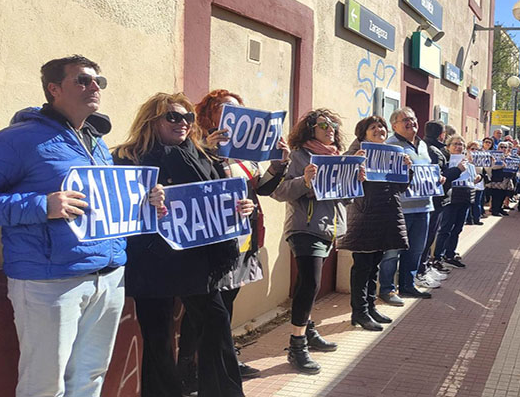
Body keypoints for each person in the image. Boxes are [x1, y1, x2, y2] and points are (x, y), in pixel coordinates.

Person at [0, 55, 163, 397]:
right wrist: (42, 206)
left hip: (107, 278)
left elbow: (100, 205)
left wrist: (145, 201)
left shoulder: (97, 143)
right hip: (48, 282)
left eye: (98, 82)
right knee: (44, 384)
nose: (94, 87)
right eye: (83, 80)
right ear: (54, 89)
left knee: (90, 376)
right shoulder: (18, 140)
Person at [113, 92, 254, 397]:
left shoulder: (204, 155)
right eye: (173, 117)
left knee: (216, 327)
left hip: (199, 260)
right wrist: (144, 202)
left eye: (188, 117)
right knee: (158, 338)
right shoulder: (127, 157)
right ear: (153, 120)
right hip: (151, 261)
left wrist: (240, 208)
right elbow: (115, 207)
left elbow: (222, 197)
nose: (183, 123)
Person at [174, 89, 289, 390]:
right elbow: (195, 185)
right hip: (214, 242)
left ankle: (221, 360)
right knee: (206, 310)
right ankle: (188, 367)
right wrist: (208, 151)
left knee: (226, 304)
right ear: (209, 114)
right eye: (225, 109)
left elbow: (260, 188)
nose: (232, 114)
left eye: (238, 109)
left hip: (243, 239)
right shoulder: (195, 145)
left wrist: (279, 164)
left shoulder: (244, 152)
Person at [270, 108, 363, 373]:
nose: (330, 128)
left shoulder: (338, 158)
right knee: (310, 282)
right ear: (311, 128)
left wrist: (355, 183)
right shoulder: (298, 156)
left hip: (329, 229)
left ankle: (308, 330)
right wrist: (306, 181)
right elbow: (279, 191)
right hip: (304, 228)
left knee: (307, 283)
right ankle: (296, 346)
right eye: (323, 124)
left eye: (333, 124)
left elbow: (343, 199)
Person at [339, 116, 411, 332]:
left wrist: (407, 169)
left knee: (374, 265)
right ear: (363, 133)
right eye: (373, 127)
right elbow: (343, 182)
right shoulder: (354, 153)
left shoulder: (392, 153)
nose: (379, 130)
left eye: (382, 127)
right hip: (364, 216)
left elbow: (401, 188)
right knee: (362, 266)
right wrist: (353, 164)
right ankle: (359, 312)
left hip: (385, 215)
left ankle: (370, 307)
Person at [379, 107, 440, 305]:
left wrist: (437, 179)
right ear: (394, 125)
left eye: (413, 119)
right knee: (392, 252)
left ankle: (407, 284)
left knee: (416, 249)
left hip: (424, 207)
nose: (411, 122)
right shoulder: (389, 145)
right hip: (399, 208)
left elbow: (426, 171)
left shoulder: (422, 145)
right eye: (405, 119)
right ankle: (387, 290)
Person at [417, 120, 463, 288]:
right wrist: (458, 170)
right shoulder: (434, 151)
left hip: (436, 199)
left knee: (429, 237)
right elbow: (440, 177)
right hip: (435, 199)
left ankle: (425, 267)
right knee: (427, 237)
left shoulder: (426, 147)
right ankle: (421, 270)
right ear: (442, 134)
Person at [433, 135, 481, 268]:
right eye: (455, 144)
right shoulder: (446, 161)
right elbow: (444, 177)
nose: (458, 147)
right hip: (451, 198)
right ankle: (438, 256)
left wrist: (478, 177)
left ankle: (450, 254)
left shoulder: (468, 161)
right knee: (446, 228)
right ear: (448, 147)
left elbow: (475, 177)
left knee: (458, 228)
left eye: (461, 145)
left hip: (465, 197)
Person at [485, 141, 515, 216]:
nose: (503, 148)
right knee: (496, 195)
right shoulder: (494, 156)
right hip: (497, 179)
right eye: (501, 147)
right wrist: (502, 165)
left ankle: (500, 208)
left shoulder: (510, 157)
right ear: (498, 148)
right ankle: (495, 210)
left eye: (505, 147)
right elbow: (492, 166)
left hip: (506, 179)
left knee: (503, 195)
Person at [466, 140, 486, 225]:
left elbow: (486, 170)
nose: (474, 151)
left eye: (477, 149)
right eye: (472, 149)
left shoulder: (481, 159)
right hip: (469, 183)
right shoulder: (464, 158)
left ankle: (477, 219)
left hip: (478, 183)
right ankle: (469, 220)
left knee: (477, 201)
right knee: (469, 202)